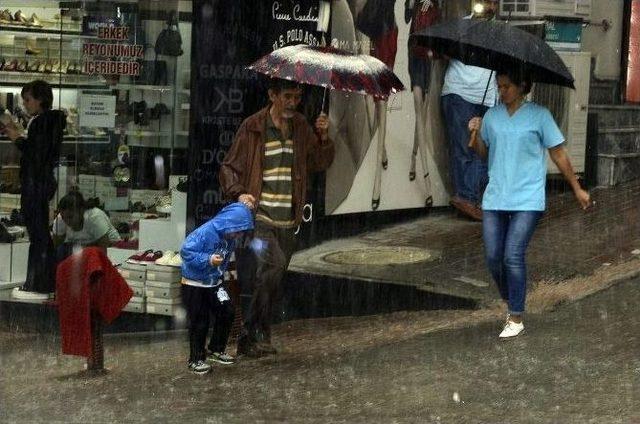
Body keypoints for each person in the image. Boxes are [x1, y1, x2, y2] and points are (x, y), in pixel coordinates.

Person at [467, 68, 591, 339]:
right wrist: (476, 135)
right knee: (493, 258)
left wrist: (577, 188)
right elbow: (485, 153)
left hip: (527, 198)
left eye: (507, 86)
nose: (502, 92)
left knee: (512, 255)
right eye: (499, 87)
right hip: (496, 196)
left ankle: (516, 316)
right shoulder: (492, 116)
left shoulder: (540, 116)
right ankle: (513, 297)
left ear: (522, 86)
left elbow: (558, 154)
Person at [219, 78, 334, 357]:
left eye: (296, 97)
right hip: (261, 216)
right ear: (272, 95)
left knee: (271, 277)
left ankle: (259, 335)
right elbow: (229, 167)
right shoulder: (254, 127)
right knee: (274, 266)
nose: (293, 103)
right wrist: (239, 194)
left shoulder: (301, 127)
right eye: (287, 97)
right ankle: (249, 333)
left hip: (288, 219)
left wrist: (323, 137)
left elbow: (319, 163)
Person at [1, 80, 65, 297]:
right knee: (40, 234)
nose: (26, 104)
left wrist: (17, 138)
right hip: (42, 182)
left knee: (38, 235)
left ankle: (38, 282)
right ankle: (42, 281)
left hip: (35, 183)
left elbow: (34, 154)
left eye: (28, 100)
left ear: (39, 99)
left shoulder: (41, 123)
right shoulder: (50, 122)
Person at [179, 202, 254, 374]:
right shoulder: (205, 232)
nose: (239, 234)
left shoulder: (229, 238)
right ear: (229, 223)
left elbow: (225, 259)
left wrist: (220, 273)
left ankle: (216, 349)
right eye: (238, 230)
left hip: (214, 282)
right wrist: (208, 260)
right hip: (194, 284)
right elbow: (186, 251)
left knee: (227, 311)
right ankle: (196, 359)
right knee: (200, 321)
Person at [441, 0, 499, 221]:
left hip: (486, 97)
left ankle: (475, 198)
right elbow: (445, 53)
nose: (487, 5)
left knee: (482, 149)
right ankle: (466, 197)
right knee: (464, 145)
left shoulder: (499, 32)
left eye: (492, 2)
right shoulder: (460, 28)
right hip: (460, 93)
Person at [52, 191, 121, 262]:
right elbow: (55, 248)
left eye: (70, 217)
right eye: (63, 217)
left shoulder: (94, 217)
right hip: (85, 248)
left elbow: (103, 251)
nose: (67, 221)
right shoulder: (60, 220)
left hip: (112, 246)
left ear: (81, 211)